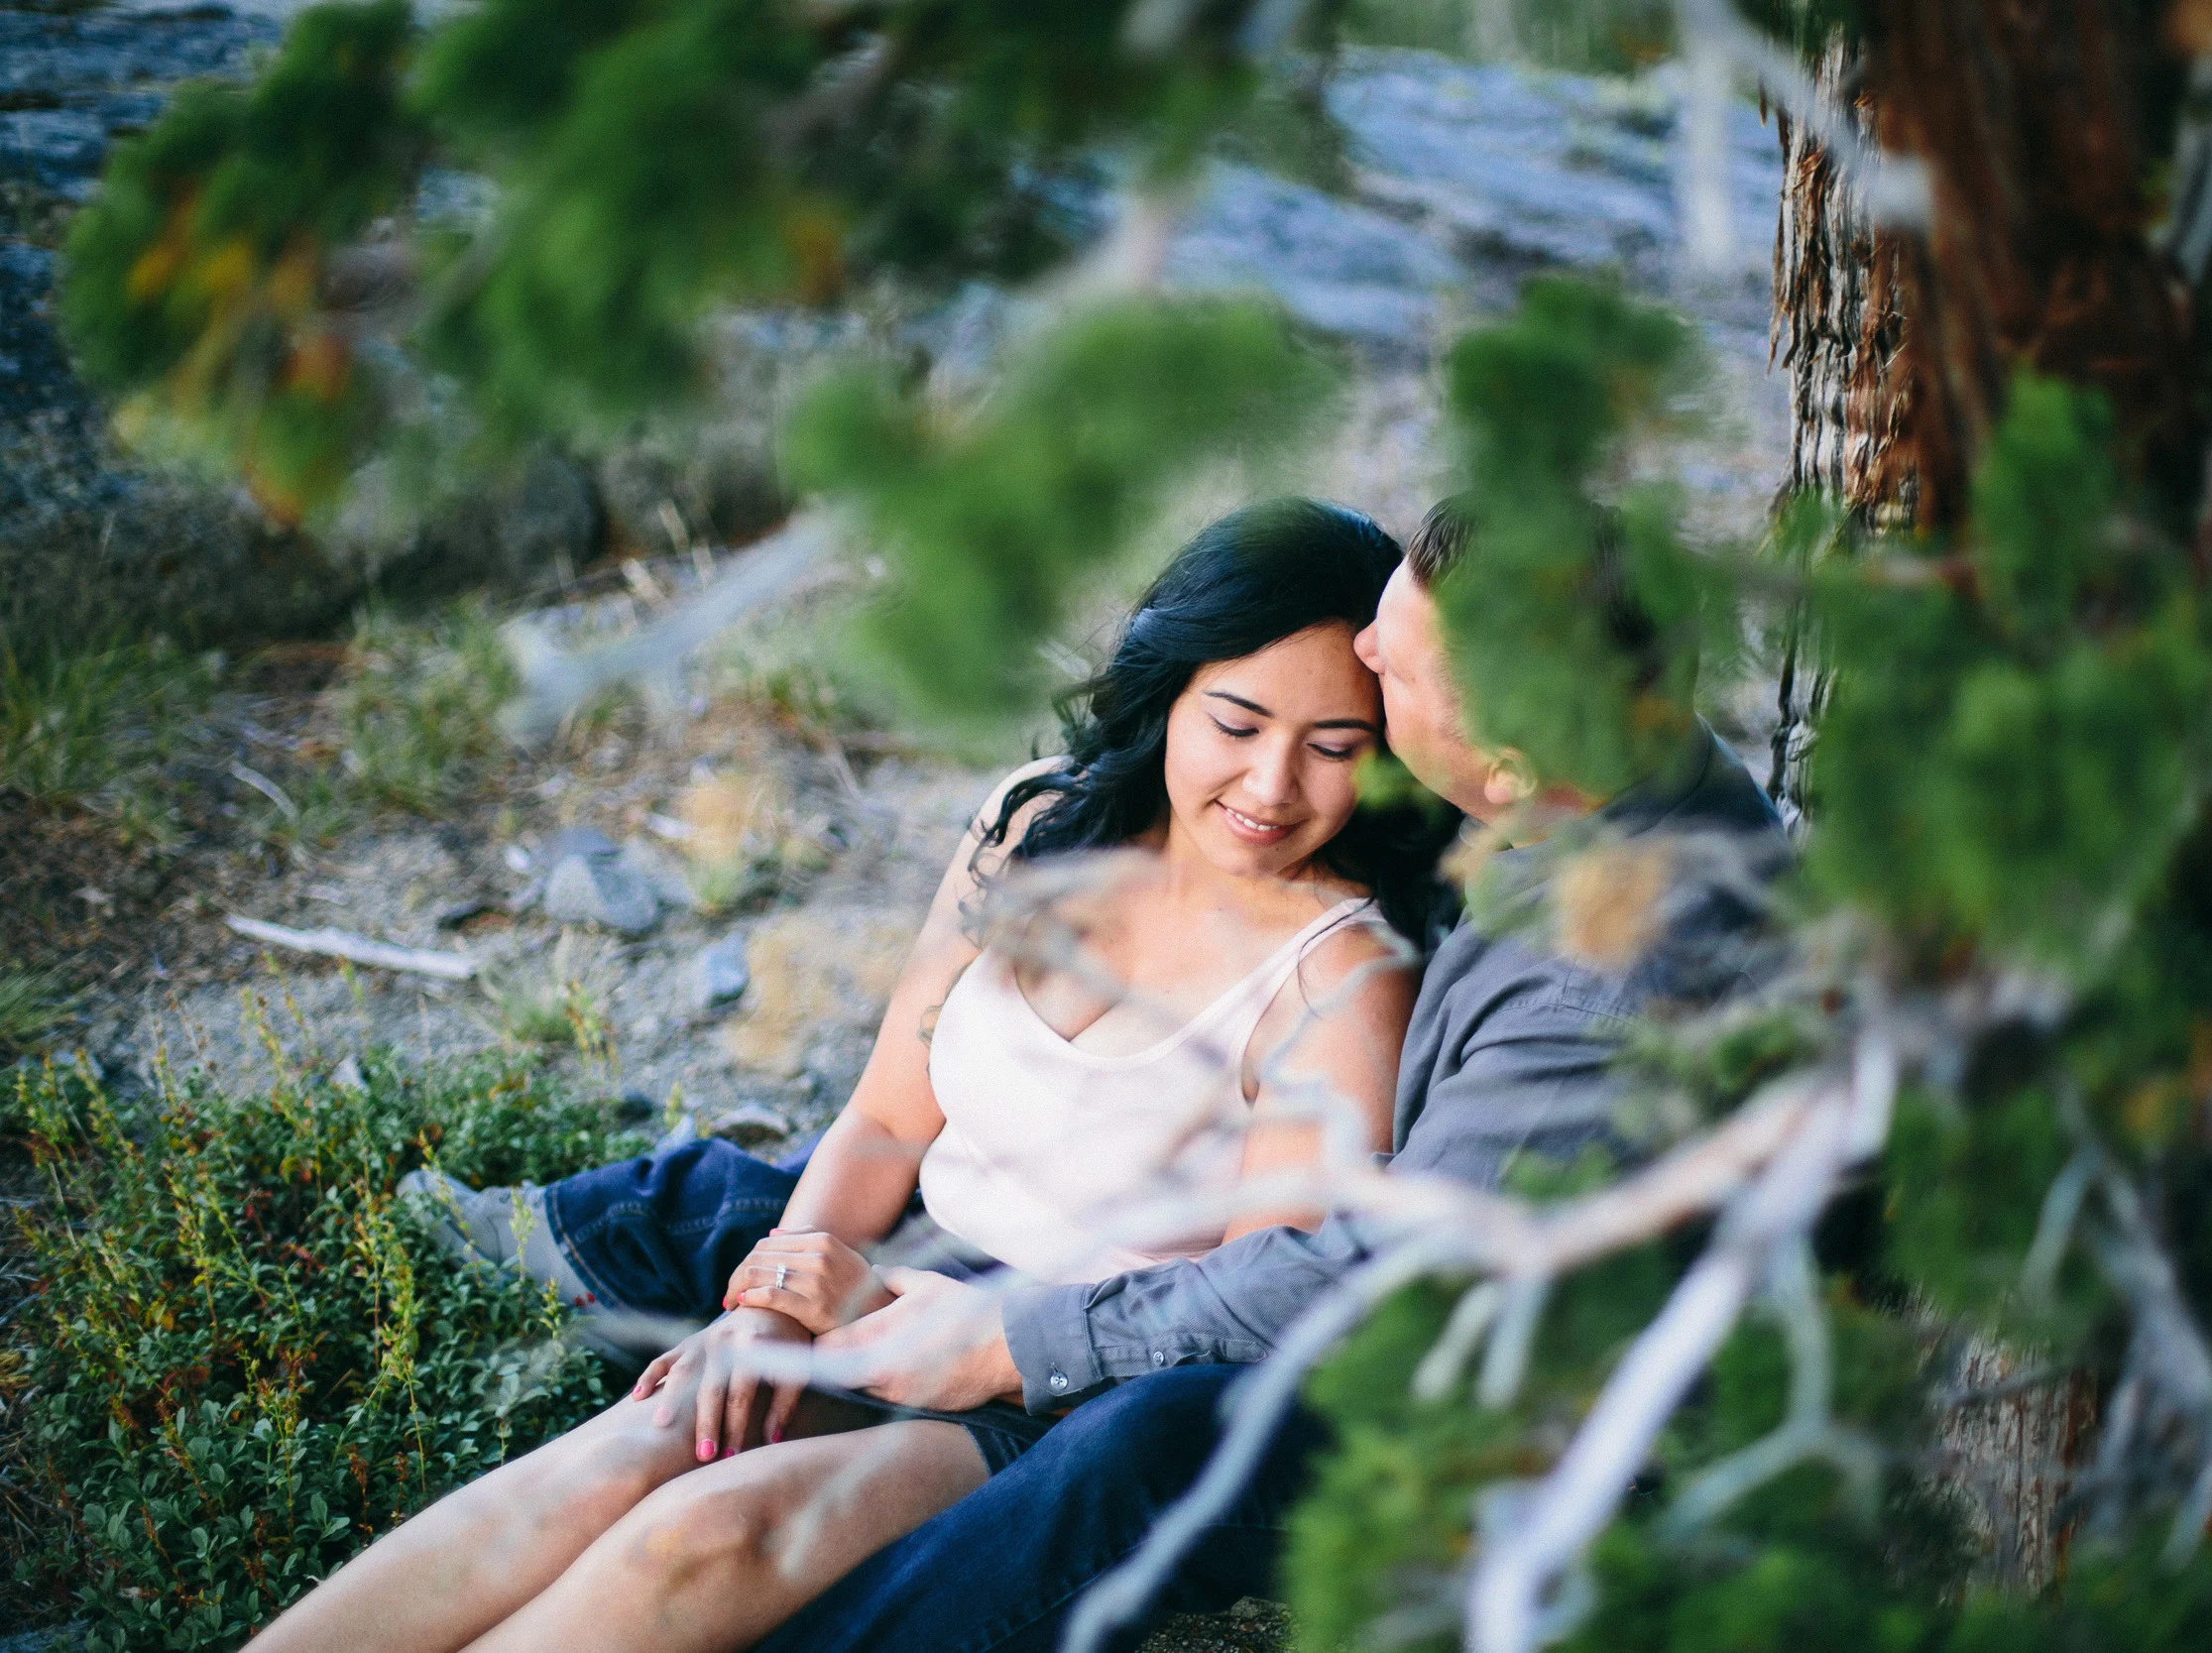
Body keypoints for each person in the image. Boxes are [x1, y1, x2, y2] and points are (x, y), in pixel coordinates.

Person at [442, 498, 1788, 1653]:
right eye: (1383, 618)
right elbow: (887, 1110)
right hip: (1125, 1276)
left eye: (1385, 684)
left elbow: (1367, 1283)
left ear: (1497, 767)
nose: (1369, 647)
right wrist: (803, 1264)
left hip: (1461, 1396)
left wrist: (1006, 1339)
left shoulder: (1573, 970)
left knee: (1106, 1446)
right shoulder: (1611, 781)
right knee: (671, 1392)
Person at [248, 499, 1455, 1653]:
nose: (1270, 787)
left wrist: (906, 1316)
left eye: (1334, 747)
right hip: (890, 1279)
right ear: (1168, 688)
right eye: (1237, 725)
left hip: (1054, 1383)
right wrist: (768, 1299)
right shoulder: (1033, 827)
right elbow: (884, 1115)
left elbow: (1234, 1318)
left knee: (707, 1533)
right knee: (650, 1437)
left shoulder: (1339, 972)